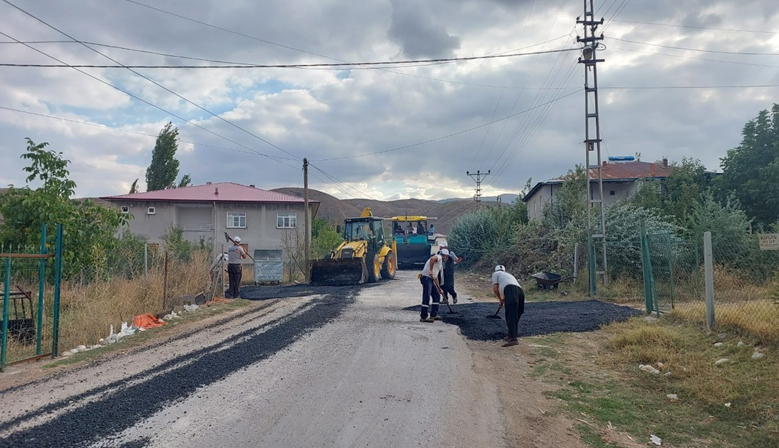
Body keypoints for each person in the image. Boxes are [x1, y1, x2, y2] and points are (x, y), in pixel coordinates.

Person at [491, 265, 525, 347]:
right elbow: (509, 288)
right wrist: (503, 299)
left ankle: (513, 338)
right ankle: (511, 334)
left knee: (510, 313)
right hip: (520, 292)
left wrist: (500, 299)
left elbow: (495, 288)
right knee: (517, 312)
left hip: (510, 290)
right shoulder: (508, 275)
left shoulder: (496, 274)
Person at [419, 249, 450, 322]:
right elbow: (432, 259)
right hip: (426, 277)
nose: (447, 258)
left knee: (436, 295)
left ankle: (434, 315)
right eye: (447, 256)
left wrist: (439, 288)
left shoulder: (440, 264)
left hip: (432, 279)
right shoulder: (438, 257)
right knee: (426, 296)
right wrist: (430, 270)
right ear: (445, 255)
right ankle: (423, 317)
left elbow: (435, 277)